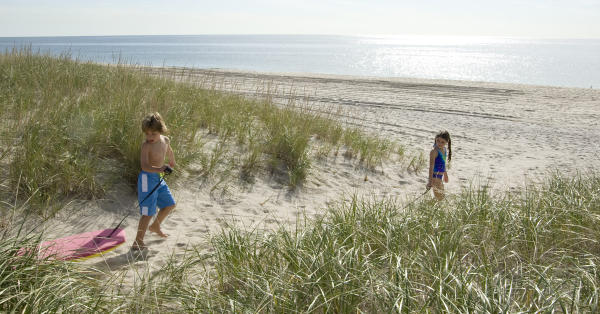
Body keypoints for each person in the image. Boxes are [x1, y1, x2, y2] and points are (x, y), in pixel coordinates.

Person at [132, 112, 177, 250]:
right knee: (148, 212)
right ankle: (137, 241)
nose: (149, 137)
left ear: (161, 131)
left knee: (170, 204)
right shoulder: (146, 146)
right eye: (147, 134)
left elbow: (169, 150)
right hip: (147, 178)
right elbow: (144, 166)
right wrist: (160, 169)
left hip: (158, 178)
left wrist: (171, 160)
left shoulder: (165, 140)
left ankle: (155, 225)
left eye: (153, 134)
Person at [427, 131, 452, 200]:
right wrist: (430, 181)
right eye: (438, 140)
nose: (439, 143)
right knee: (440, 199)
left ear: (446, 142)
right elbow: (431, 167)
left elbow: (443, 163)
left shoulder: (444, 149)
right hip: (435, 178)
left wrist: (445, 174)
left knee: (441, 198)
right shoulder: (434, 151)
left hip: (440, 177)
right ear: (435, 139)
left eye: (442, 142)